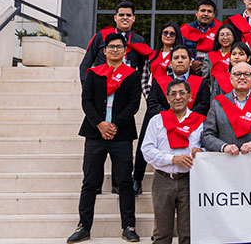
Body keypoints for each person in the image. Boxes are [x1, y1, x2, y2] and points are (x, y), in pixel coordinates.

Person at [69, 32, 140, 243]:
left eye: (119, 47)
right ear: (105, 51)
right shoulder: (94, 72)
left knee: (125, 182)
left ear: (124, 51)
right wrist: (100, 124)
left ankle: (128, 226)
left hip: (121, 134)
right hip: (94, 133)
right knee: (90, 181)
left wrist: (115, 124)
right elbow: (86, 101)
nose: (115, 50)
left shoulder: (132, 75)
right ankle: (84, 225)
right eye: (111, 47)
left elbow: (133, 105)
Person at [140, 78, 204, 244]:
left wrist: (202, 152)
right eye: (173, 94)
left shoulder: (200, 123)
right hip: (163, 179)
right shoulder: (157, 121)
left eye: (182, 93)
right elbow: (146, 150)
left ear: (190, 96)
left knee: (189, 233)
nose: (178, 97)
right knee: (162, 233)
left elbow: (208, 146)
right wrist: (172, 159)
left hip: (190, 181)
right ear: (167, 98)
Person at [134, 24, 182, 196]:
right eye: (165, 32)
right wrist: (150, 100)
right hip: (155, 103)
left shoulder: (178, 55)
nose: (168, 35)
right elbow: (145, 78)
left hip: (174, 103)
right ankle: (136, 179)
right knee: (144, 142)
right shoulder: (152, 55)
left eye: (172, 33)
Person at [200, 61, 251, 156]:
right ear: (230, 78)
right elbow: (207, 135)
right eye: (237, 74)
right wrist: (224, 147)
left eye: (247, 74)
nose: (242, 77)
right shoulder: (217, 103)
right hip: (226, 161)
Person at [78, 1, 153, 82]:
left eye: (128, 15)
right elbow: (86, 64)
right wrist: (86, 88)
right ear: (115, 18)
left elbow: (143, 70)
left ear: (133, 18)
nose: (125, 17)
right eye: (121, 15)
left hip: (127, 87)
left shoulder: (139, 41)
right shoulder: (101, 36)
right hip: (101, 84)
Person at [180, 0, 221, 67]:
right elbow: (178, 51)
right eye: (203, 10)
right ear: (196, 13)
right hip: (188, 69)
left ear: (214, 15)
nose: (206, 14)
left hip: (213, 69)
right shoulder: (185, 30)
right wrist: (192, 62)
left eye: (209, 11)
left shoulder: (220, 31)